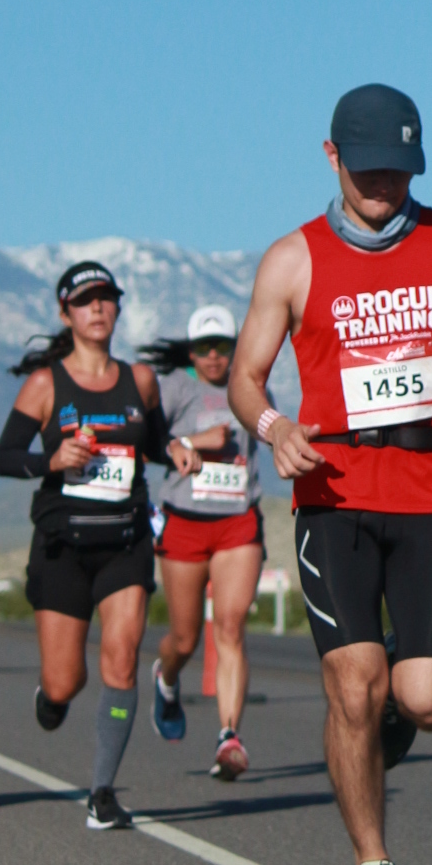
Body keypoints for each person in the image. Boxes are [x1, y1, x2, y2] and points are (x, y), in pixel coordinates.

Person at [228, 84, 432, 865]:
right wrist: (274, 427)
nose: (385, 184)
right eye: (369, 171)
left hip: (431, 492)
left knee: (430, 701)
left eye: (400, 169)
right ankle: (372, 864)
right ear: (332, 158)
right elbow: (246, 378)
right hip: (332, 495)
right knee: (352, 689)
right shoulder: (293, 259)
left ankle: (395, 689)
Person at [0, 261, 199, 831]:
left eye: (106, 297)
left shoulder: (140, 380)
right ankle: (52, 695)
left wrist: (174, 449)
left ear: (118, 307)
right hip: (63, 544)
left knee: (123, 656)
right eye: (85, 301)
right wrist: (52, 459)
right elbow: (4, 457)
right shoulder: (46, 385)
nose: (98, 308)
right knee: (67, 680)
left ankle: (102, 793)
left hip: (125, 540)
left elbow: (152, 441)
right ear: (66, 314)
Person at [143, 305, 270, 780]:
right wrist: (193, 441)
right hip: (185, 523)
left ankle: (229, 736)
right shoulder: (175, 387)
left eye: (222, 347)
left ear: (235, 348)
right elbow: (147, 442)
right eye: (203, 348)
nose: (213, 356)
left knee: (231, 627)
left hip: (238, 521)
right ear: (191, 352)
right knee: (185, 637)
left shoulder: (251, 384)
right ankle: (167, 676)